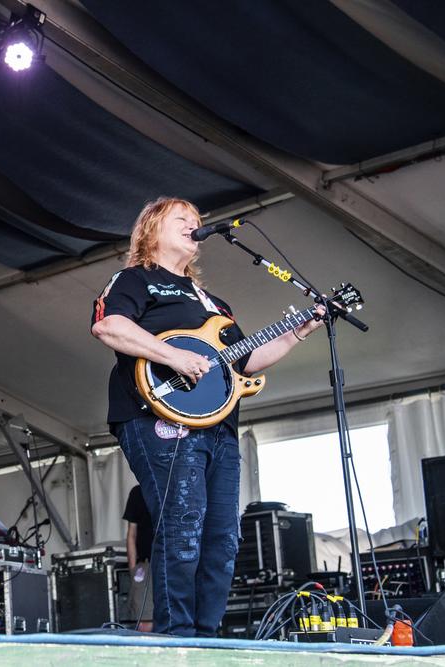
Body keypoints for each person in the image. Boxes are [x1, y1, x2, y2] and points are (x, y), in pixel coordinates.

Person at [90, 197, 323, 637]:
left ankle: (208, 637)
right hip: (158, 416)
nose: (193, 226)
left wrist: (299, 330)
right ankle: (179, 639)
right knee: (181, 525)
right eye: (182, 219)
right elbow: (110, 327)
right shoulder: (135, 280)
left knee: (222, 538)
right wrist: (172, 355)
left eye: (196, 222)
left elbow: (246, 362)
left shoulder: (215, 304)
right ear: (150, 230)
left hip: (220, 427)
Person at [123, 483, 154, 632]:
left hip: (171, 564)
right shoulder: (138, 492)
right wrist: (133, 568)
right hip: (146, 564)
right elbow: (131, 534)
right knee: (145, 620)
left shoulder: (175, 487)